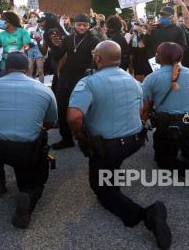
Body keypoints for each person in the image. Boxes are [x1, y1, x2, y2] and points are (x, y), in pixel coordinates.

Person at [67, 40, 171, 250]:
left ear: (97, 58)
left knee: (102, 190)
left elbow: (74, 116)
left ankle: (146, 215)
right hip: (134, 141)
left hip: (108, 147)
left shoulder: (88, 82)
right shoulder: (133, 81)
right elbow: (141, 107)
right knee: (112, 163)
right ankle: (112, 174)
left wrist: (79, 135)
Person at [0, 52, 57, 229]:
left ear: (6, 68)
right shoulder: (44, 89)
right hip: (25, 150)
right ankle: (27, 196)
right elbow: (50, 122)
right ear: (28, 69)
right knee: (31, 179)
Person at [141, 42, 189, 190]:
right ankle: (188, 153)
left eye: (157, 53)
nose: (155, 55)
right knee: (181, 125)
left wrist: (142, 125)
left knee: (162, 161)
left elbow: (145, 107)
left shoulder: (152, 78)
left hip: (170, 124)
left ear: (162, 57)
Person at [49, 13, 100, 150]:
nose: (82, 27)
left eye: (85, 25)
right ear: (73, 25)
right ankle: (66, 138)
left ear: (89, 26)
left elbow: (97, 61)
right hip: (66, 77)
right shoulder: (68, 39)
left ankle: (85, 136)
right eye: (79, 24)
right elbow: (58, 56)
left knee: (84, 109)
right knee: (62, 107)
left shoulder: (94, 41)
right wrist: (55, 46)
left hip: (84, 78)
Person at [0, 11, 31, 76]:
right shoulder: (1, 34)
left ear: (9, 21)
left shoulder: (23, 32)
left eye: (1, 19)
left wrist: (23, 49)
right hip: (4, 67)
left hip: (19, 67)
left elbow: (26, 47)